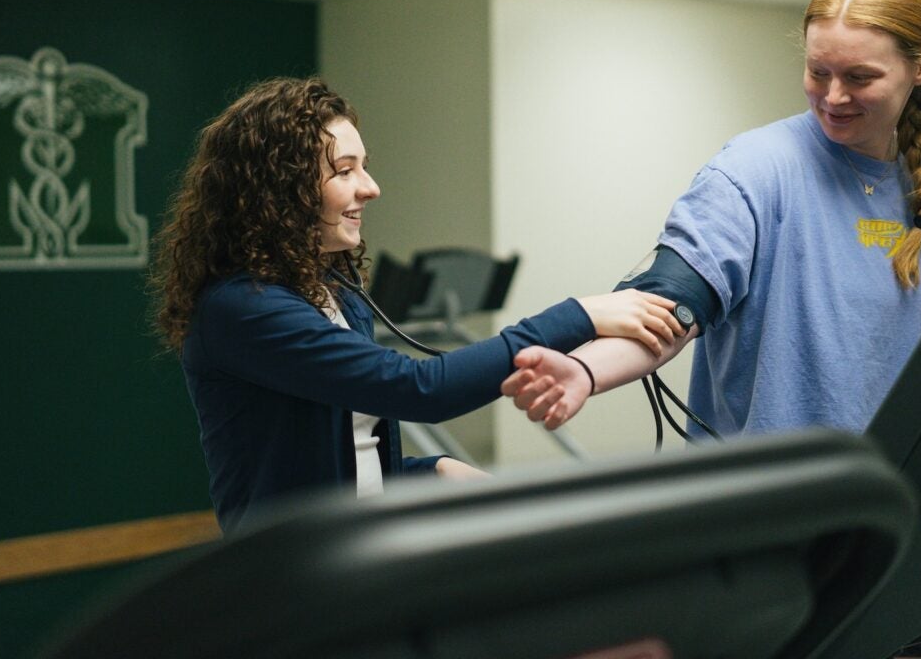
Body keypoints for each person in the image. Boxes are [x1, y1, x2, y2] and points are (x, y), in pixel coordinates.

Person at [150, 76, 683, 534]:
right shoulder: (243, 309)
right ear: (278, 189)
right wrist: (581, 316)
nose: (371, 187)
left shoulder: (336, 293)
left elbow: (347, 463)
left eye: (366, 166)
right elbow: (416, 390)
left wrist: (434, 470)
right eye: (344, 170)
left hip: (358, 557)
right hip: (293, 587)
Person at [502, 0, 921, 438]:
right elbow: (674, 302)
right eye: (819, 71)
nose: (834, 97)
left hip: (898, 493)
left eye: (860, 77)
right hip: (769, 496)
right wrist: (586, 371)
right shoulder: (753, 170)